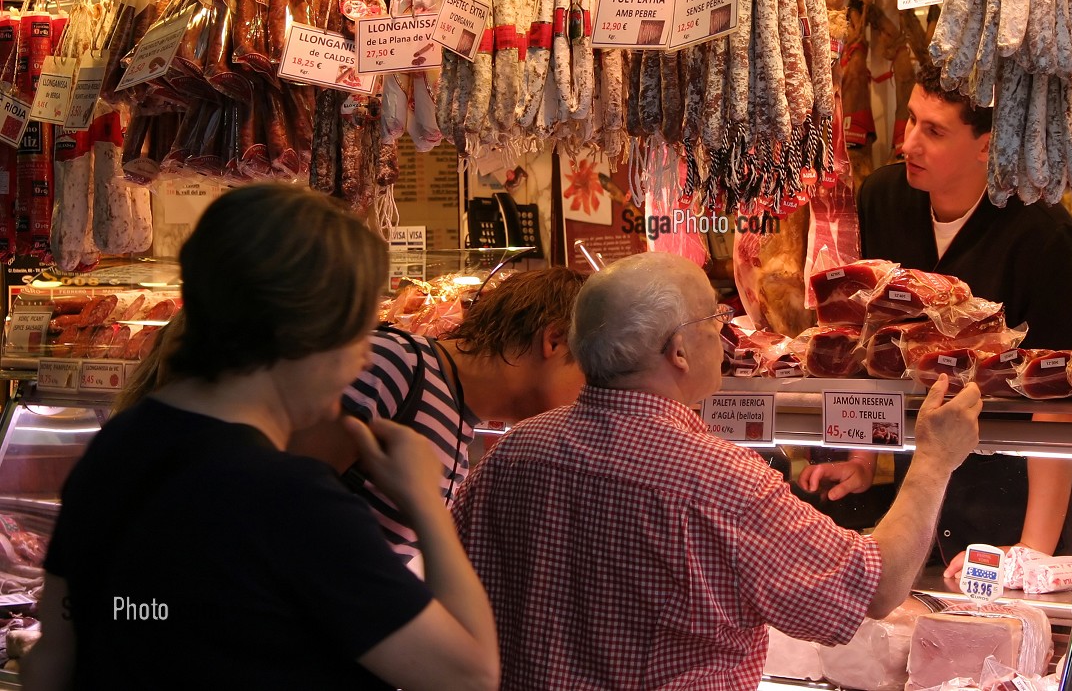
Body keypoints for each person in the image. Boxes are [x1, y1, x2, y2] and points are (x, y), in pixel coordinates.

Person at [24, 183, 499, 691]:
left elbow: (55, 655)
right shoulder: (291, 500)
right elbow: (469, 674)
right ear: (305, 330)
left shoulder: (116, 446)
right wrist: (423, 500)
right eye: (359, 331)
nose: (365, 358)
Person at [454, 252, 982, 691]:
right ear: (677, 351)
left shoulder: (511, 453)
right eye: (714, 321)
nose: (725, 336)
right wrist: (935, 460)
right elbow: (877, 587)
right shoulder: (718, 479)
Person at [800, 81, 1072, 573]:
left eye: (934, 131)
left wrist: (1030, 554)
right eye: (911, 119)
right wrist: (863, 459)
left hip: (1021, 494)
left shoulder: (1044, 237)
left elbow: (1061, 403)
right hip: (925, 487)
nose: (908, 143)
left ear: (987, 146)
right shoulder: (884, 198)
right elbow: (873, 342)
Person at [289, 266, 588, 560]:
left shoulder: (459, 434)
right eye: (592, 374)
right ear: (554, 340)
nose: (590, 396)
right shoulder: (394, 365)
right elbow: (278, 498)